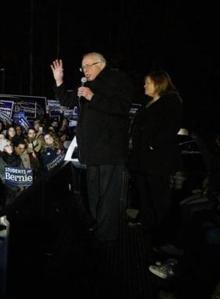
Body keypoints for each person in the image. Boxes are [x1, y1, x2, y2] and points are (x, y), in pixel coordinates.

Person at [51, 53, 134, 243]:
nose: (85, 70)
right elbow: (68, 101)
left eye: (88, 66)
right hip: (91, 151)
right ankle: (97, 228)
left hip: (109, 151)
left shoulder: (117, 79)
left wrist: (93, 97)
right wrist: (59, 81)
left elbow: (122, 107)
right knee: (94, 194)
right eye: (82, 67)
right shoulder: (87, 84)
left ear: (101, 64)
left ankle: (106, 237)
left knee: (108, 196)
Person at [129, 71, 183, 246]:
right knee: (146, 196)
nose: (144, 86)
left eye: (147, 83)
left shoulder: (171, 101)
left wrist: (152, 144)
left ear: (159, 83)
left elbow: (169, 129)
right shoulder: (150, 103)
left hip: (157, 162)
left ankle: (161, 237)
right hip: (143, 160)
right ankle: (147, 228)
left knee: (158, 198)